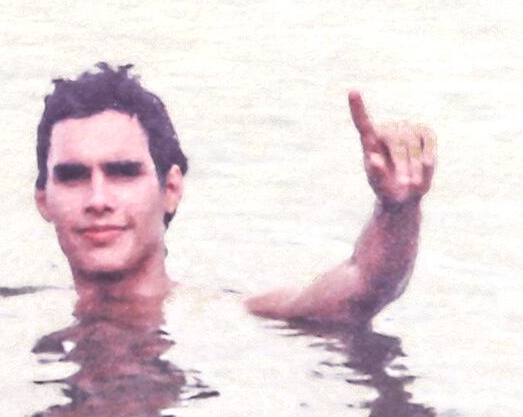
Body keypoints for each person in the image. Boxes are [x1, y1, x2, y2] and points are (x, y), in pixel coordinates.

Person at [31, 62, 436, 326]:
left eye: (123, 173)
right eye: (73, 176)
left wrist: (397, 208)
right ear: (44, 200)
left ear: (170, 189)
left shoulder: (229, 318)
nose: (98, 199)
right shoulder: (2, 314)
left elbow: (363, 285)